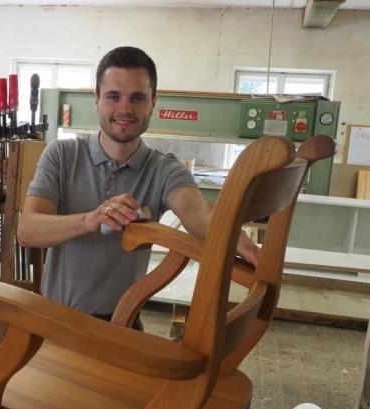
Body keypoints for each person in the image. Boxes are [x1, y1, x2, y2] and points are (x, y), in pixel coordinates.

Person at [17, 46, 259, 327]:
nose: (124, 109)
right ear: (96, 100)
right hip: (57, 323)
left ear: (153, 102)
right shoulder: (61, 155)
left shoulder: (164, 169)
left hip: (124, 326)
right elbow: (28, 230)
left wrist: (233, 234)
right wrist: (92, 219)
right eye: (113, 97)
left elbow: (198, 213)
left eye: (137, 98)